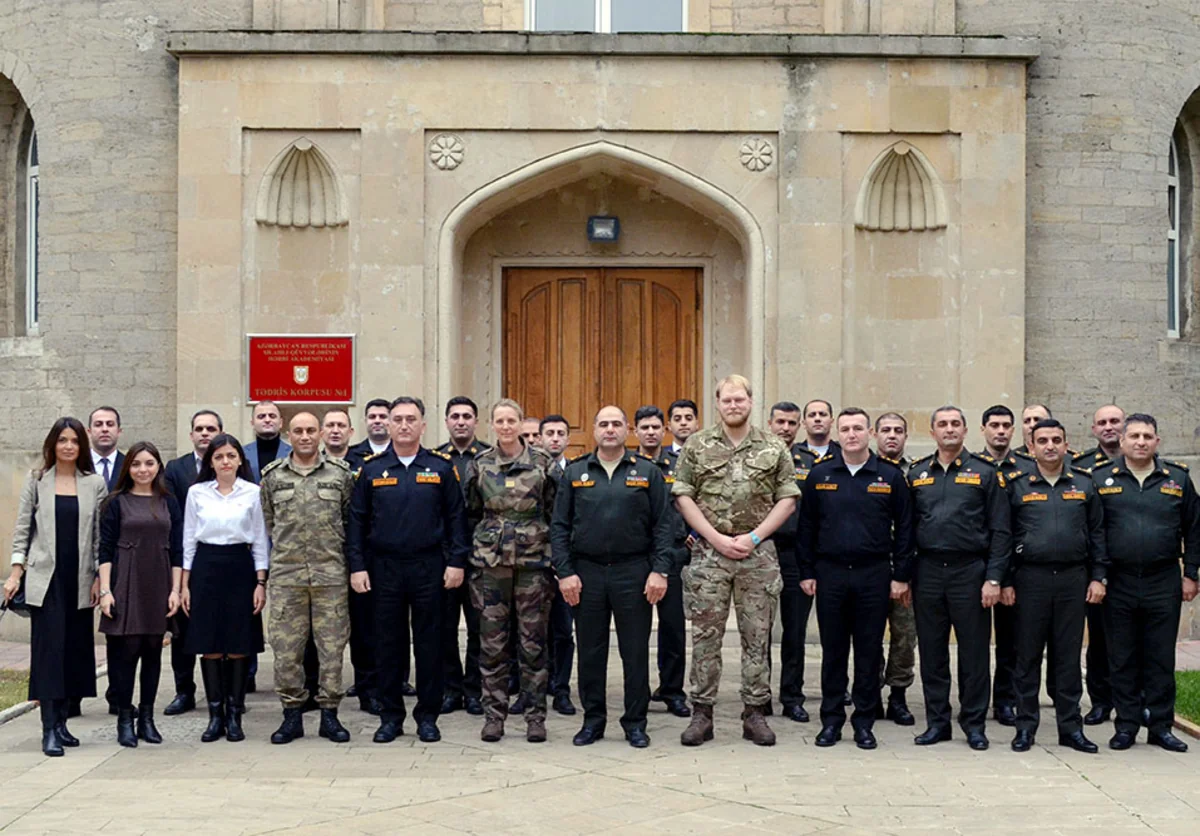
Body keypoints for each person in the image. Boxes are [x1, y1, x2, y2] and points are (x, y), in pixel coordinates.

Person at [673, 375, 798, 747]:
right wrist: (716, 539)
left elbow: (788, 499)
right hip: (710, 555)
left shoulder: (774, 447)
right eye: (727, 400)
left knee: (756, 637)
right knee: (705, 636)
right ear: (718, 403)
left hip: (757, 554)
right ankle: (702, 713)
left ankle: (755, 712)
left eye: (739, 400)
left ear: (750, 401)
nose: (733, 405)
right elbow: (683, 496)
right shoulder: (697, 445)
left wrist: (754, 537)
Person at [347, 396, 470, 744]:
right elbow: (356, 523)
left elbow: (456, 520)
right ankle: (390, 716)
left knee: (430, 643)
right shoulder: (370, 469)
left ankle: (427, 716)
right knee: (388, 644)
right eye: (397, 419)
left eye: (410, 419)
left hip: (429, 566)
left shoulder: (441, 468)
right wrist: (357, 567)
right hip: (383, 567)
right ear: (388, 424)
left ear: (422, 425)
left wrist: (456, 562)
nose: (403, 425)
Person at [552, 405, 674, 748]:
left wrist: (660, 570)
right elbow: (559, 527)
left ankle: (635, 722)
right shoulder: (576, 472)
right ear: (593, 429)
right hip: (586, 573)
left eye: (616, 424)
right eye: (603, 424)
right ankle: (593, 721)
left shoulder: (647, 472)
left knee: (634, 652)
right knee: (591, 651)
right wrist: (565, 573)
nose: (610, 429)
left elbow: (663, 526)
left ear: (628, 430)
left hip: (633, 572)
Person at [797, 408, 914, 750]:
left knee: (867, 651)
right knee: (833, 651)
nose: (852, 434)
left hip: (873, 574)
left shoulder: (889, 477)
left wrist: (901, 576)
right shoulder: (820, 475)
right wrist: (806, 572)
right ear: (838, 432)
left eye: (858, 428)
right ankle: (831, 721)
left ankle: (864, 722)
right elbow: (807, 528)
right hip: (830, 574)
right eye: (845, 428)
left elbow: (906, 529)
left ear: (871, 434)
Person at [906, 407, 1011, 751]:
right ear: (932, 431)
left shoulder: (984, 473)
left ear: (966, 430)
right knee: (932, 652)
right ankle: (938, 723)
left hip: (971, 572)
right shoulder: (917, 473)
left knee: (974, 653)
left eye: (955, 424)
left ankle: (974, 724)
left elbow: (1000, 530)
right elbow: (906, 532)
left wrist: (994, 578)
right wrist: (904, 577)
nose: (949, 429)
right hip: (928, 572)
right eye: (942, 424)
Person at [1093, 413, 1199, 753]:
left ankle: (1161, 727)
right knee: (1122, 656)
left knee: (1159, 657)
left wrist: (1191, 573)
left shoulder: (1177, 479)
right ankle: (1126, 726)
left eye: (1147, 436)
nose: (1141, 441)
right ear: (1122, 441)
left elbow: (1195, 530)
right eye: (1134, 435)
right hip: (1118, 581)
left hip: (1163, 579)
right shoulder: (1100, 479)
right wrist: (1098, 576)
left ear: (1157, 441)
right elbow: (1092, 532)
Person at [1005, 419, 1108, 754]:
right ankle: (1025, 728)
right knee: (1027, 658)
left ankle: (1070, 729)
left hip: (1072, 580)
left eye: (1057, 440)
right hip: (1029, 580)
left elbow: (1098, 535)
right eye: (1043, 440)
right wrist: (1005, 580)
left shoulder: (1084, 484)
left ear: (1067, 445)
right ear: (1031, 447)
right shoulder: (1016, 485)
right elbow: (1003, 537)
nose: (1050, 446)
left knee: (1066, 657)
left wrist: (1098, 577)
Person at [5, 418, 106, 757]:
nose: (68, 446)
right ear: (52, 444)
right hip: (44, 580)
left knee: (74, 653)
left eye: (74, 440)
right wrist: (15, 573)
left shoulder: (95, 484)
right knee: (48, 654)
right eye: (62, 440)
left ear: (82, 446)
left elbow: (99, 539)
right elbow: (22, 530)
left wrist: (98, 579)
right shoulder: (37, 481)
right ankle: (48, 729)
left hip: (79, 579)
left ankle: (63, 722)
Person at [465, 399, 557, 743]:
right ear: (492, 425)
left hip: (533, 565)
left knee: (533, 644)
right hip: (490, 567)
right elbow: (472, 512)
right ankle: (494, 716)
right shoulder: (480, 465)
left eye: (511, 421)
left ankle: (535, 717)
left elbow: (553, 510)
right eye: (499, 421)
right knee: (492, 645)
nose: (505, 427)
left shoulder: (543, 464)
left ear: (521, 424)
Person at [261, 412, 356, 745]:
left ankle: (330, 715)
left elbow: (349, 523)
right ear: (288, 434)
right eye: (298, 431)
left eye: (310, 430)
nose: (304, 436)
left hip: (330, 576)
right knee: (286, 650)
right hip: (288, 577)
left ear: (320, 434)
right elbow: (269, 524)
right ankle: (291, 715)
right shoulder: (272, 477)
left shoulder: (341, 475)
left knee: (331, 649)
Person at [181, 433, 269, 743]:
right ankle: (215, 715)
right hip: (206, 567)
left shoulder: (253, 493)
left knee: (238, 642)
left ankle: (235, 714)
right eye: (219, 457)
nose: (225, 462)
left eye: (231, 456)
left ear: (240, 460)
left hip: (240, 567)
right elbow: (188, 539)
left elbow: (259, 539)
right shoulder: (196, 493)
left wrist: (261, 582)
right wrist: (185, 585)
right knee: (211, 643)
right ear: (211, 462)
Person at [97, 441, 183, 747]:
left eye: (149, 463)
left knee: (153, 653)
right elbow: (104, 549)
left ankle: (147, 719)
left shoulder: (169, 502)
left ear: (158, 466)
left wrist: (175, 590)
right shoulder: (114, 503)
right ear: (127, 468)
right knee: (125, 654)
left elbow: (177, 550)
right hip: (125, 580)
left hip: (158, 581)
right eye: (136, 464)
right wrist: (106, 590)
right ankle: (124, 717)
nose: (143, 469)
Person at [161, 409, 223, 716]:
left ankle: (224, 693)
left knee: (219, 627)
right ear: (191, 435)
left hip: (221, 559)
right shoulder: (176, 468)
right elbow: (172, 514)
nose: (204, 433)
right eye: (199, 428)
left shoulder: (230, 465)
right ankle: (184, 691)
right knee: (182, 630)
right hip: (186, 558)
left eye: (211, 428)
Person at [343, 398, 403, 710]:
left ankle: (397, 678)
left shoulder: (407, 457)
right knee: (365, 626)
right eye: (373, 416)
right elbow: (355, 514)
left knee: (395, 624)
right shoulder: (353, 458)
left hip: (398, 556)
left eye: (384, 416)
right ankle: (366, 684)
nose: (379, 421)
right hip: (366, 555)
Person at [435, 396, 491, 718]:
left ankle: (474, 690)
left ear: (475, 421)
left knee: (478, 628)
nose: (460, 421)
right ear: (446, 421)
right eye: (454, 416)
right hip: (443, 556)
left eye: (467, 416)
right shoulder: (436, 460)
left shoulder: (488, 458)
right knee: (443, 627)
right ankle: (449, 689)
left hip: (481, 555)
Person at [633, 405, 690, 719]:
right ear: (636, 431)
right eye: (645, 427)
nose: (651, 432)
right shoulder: (629, 465)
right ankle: (637, 689)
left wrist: (693, 532)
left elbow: (694, 500)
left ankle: (672, 690)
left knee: (673, 627)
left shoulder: (678, 465)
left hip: (673, 554)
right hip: (637, 556)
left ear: (664, 430)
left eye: (656, 427)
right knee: (635, 628)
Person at [1072, 403, 1126, 727]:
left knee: (1134, 640)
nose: (1109, 427)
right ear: (1093, 429)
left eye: (1115, 421)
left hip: (1133, 566)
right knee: (1100, 640)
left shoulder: (1140, 460)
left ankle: (1135, 701)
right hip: (1096, 569)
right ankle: (1101, 702)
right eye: (1102, 422)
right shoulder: (1082, 468)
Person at [765, 400, 814, 723]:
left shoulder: (809, 462)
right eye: (780, 422)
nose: (785, 428)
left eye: (792, 423)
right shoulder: (756, 458)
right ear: (770, 423)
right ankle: (758, 695)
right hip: (763, 552)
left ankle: (792, 696)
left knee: (794, 632)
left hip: (797, 554)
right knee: (758, 631)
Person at [977, 404, 1021, 726]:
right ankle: (974, 701)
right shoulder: (973, 467)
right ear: (983, 430)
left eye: (1006, 425)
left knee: (1011, 640)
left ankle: (1006, 700)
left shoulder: (1027, 468)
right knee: (976, 640)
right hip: (977, 566)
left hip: (1016, 567)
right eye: (994, 425)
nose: (1001, 431)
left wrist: (1006, 577)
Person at [873, 411, 917, 726]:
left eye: (898, 430)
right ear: (875, 435)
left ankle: (898, 696)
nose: (892, 435)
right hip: (871, 565)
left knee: (904, 634)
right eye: (886, 430)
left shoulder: (917, 473)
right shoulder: (865, 470)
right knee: (869, 633)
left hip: (906, 567)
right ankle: (870, 693)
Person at [540, 414, 577, 716]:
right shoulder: (531, 471)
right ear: (539, 438)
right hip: (535, 563)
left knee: (564, 631)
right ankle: (533, 690)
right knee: (531, 631)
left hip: (567, 566)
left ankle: (561, 690)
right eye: (549, 433)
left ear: (567, 439)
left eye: (560, 433)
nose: (555, 438)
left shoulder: (578, 472)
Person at [243, 400, 292, 483]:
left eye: (272, 416)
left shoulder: (293, 453)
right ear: (252, 423)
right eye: (261, 416)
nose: (267, 420)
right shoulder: (241, 453)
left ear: (280, 423)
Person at [88, 406, 125, 491]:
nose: (104, 429)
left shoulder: (129, 465)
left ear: (119, 431)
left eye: (110, 424)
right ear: (89, 432)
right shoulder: (79, 464)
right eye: (98, 424)